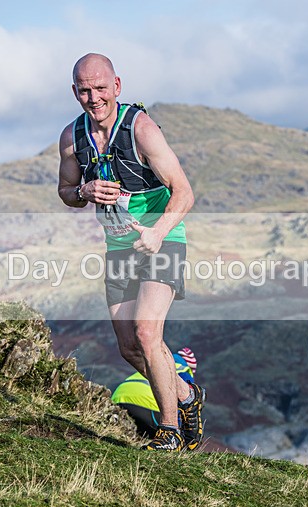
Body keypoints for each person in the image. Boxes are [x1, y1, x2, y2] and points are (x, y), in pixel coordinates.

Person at [58, 53, 203, 451]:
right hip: (118, 247)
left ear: (117, 86)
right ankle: (187, 396)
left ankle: (169, 431)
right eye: (85, 90)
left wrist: (158, 232)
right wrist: (83, 192)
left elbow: (184, 192)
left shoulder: (141, 129)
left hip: (162, 238)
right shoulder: (72, 138)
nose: (94, 97)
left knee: (146, 330)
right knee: (129, 347)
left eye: (101, 88)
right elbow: (65, 192)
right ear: (75, 92)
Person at [112, 347, 198, 438]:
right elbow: (186, 405)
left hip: (118, 399)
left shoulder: (156, 364)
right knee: (170, 436)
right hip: (147, 406)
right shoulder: (183, 371)